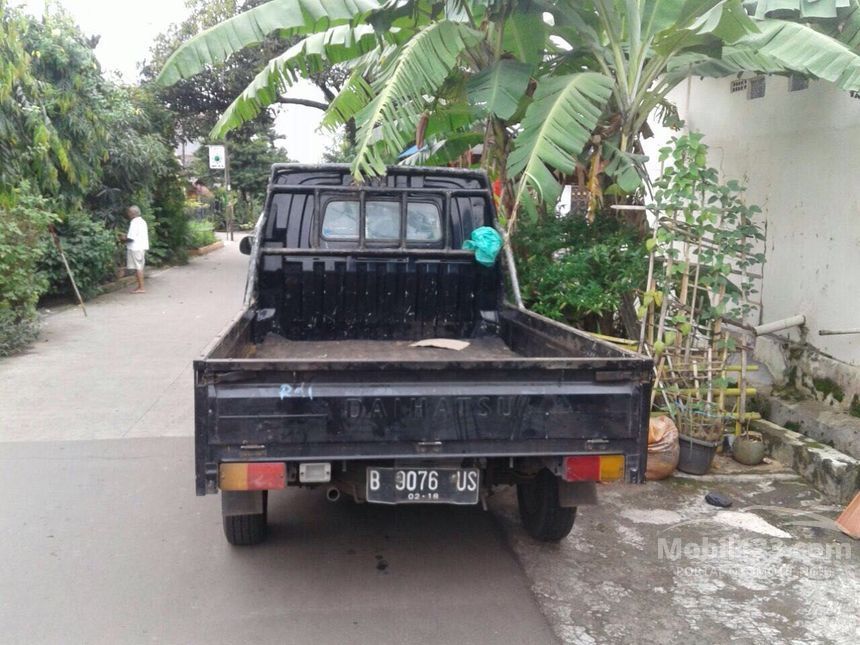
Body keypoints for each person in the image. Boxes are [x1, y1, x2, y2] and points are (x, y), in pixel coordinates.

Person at [119, 206, 149, 294]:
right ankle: (140, 286)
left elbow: (131, 238)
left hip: (135, 248)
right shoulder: (142, 221)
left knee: (138, 267)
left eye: (129, 213)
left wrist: (123, 238)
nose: (128, 214)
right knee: (137, 267)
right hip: (140, 247)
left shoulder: (134, 222)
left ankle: (141, 287)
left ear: (132, 213)